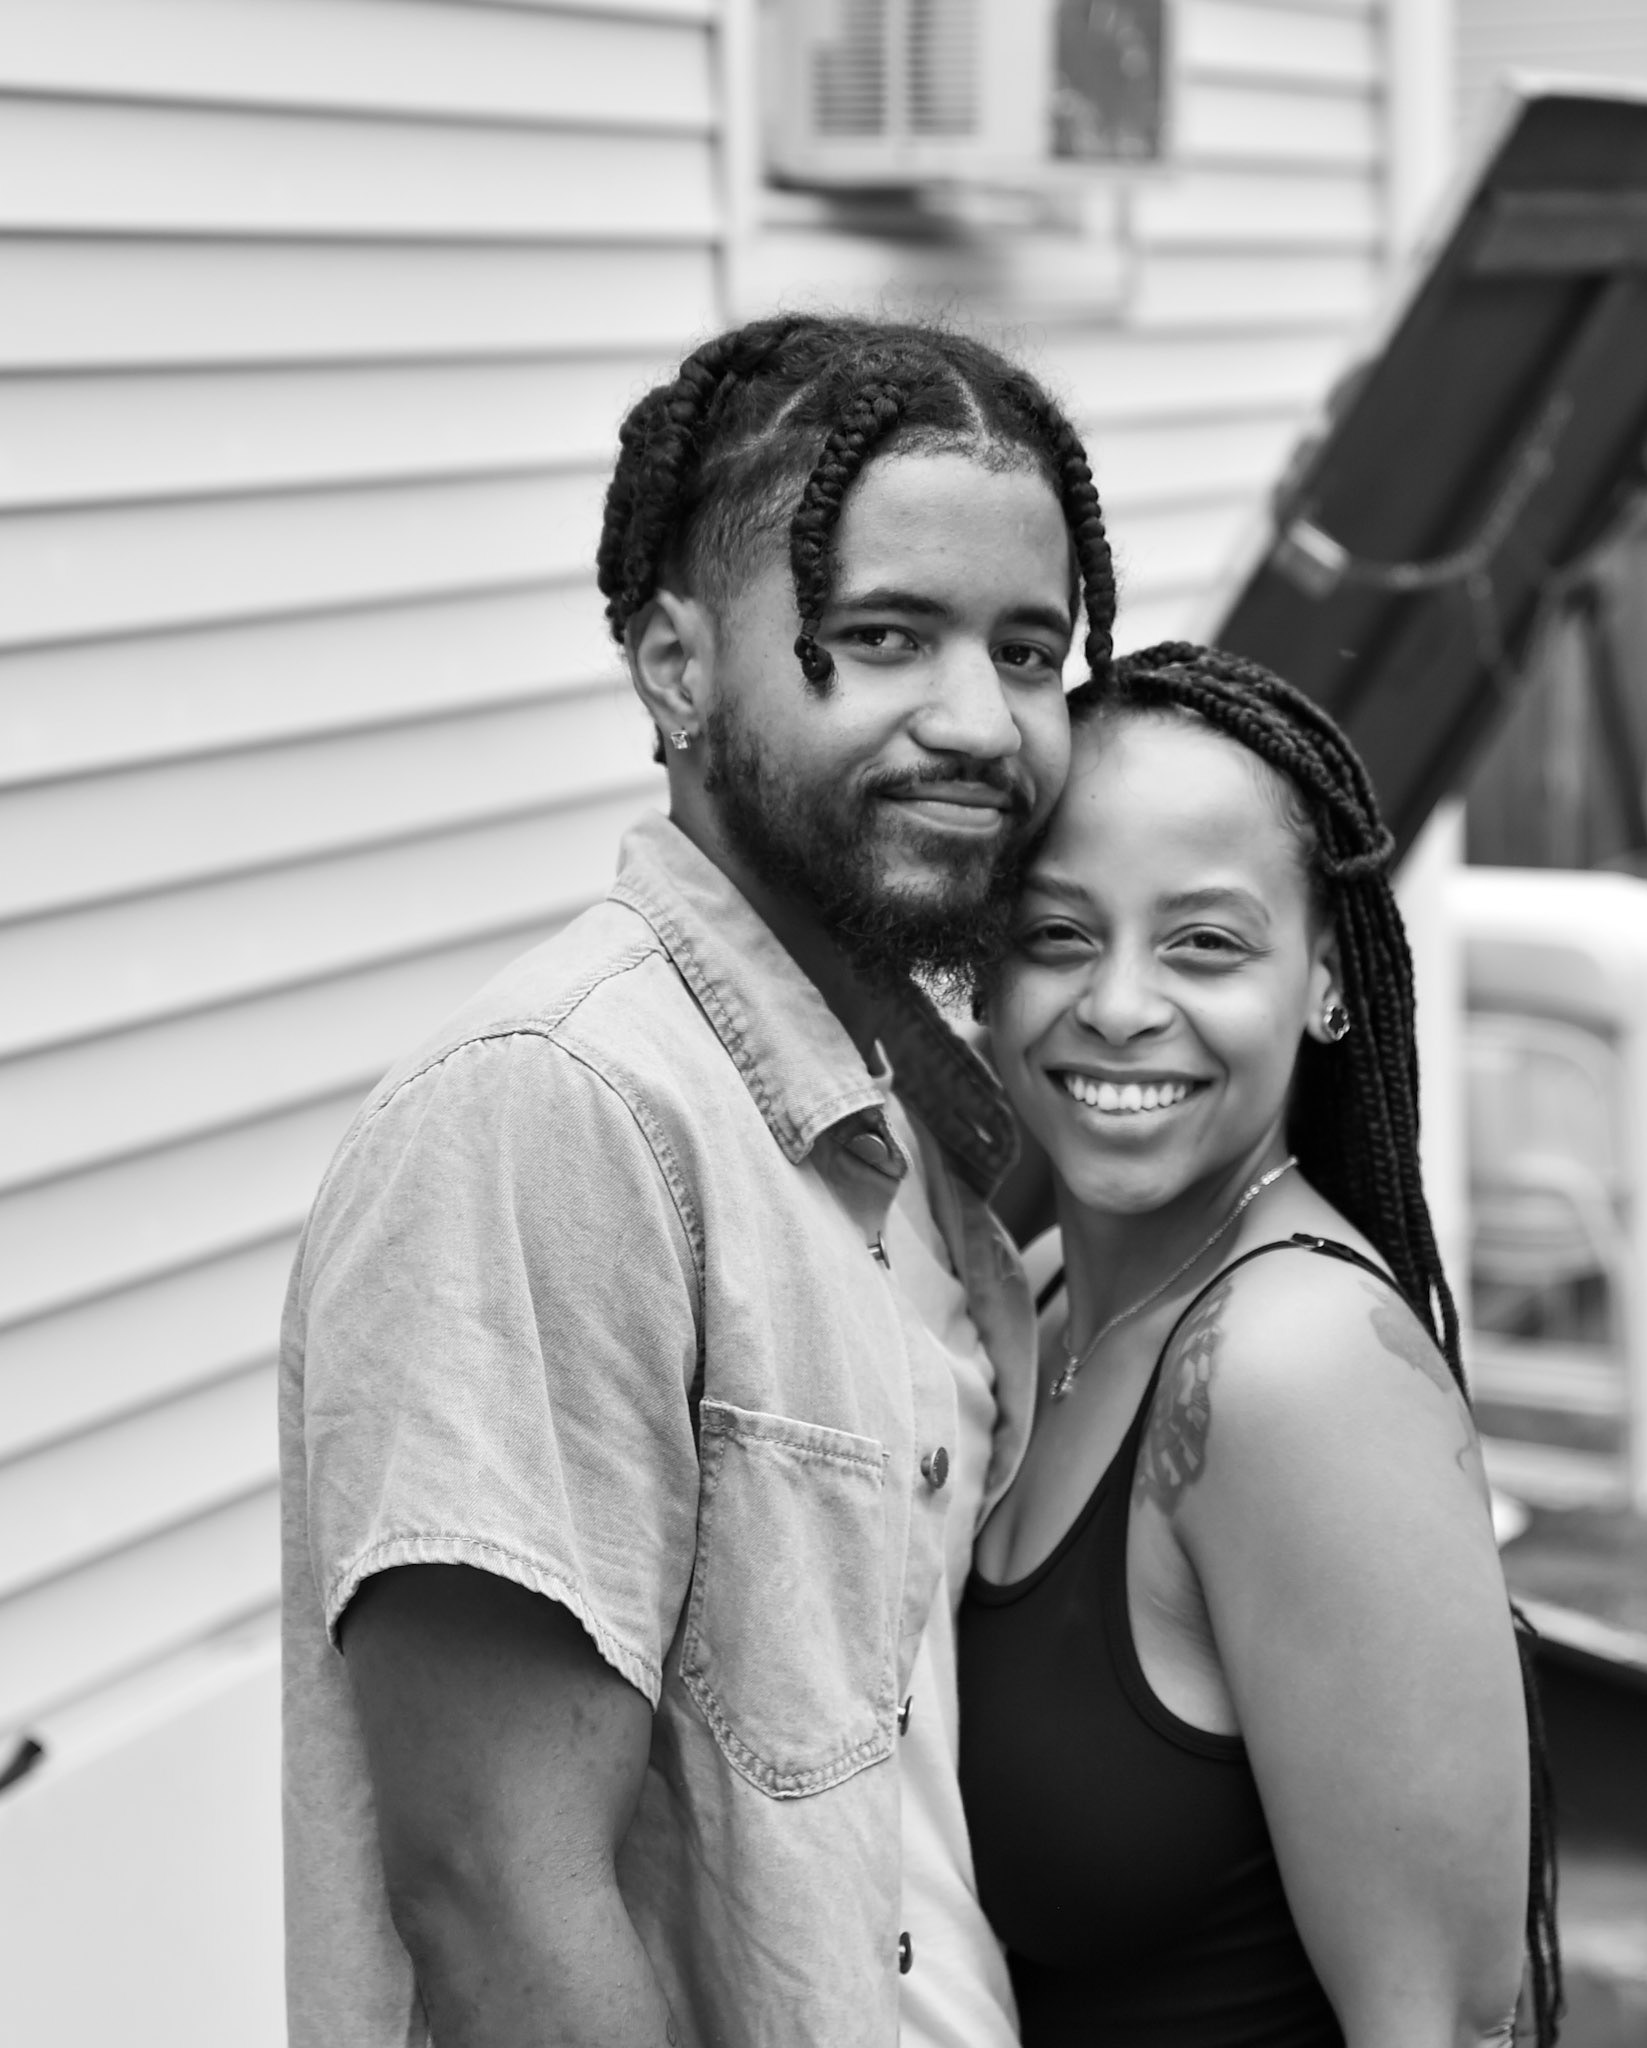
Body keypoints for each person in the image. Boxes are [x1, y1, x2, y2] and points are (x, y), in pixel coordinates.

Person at [278, 313, 1117, 2048]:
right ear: (673, 667)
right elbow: (493, 1891)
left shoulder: (902, 1138)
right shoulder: (559, 1113)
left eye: (1028, 652)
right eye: (882, 637)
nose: (979, 720)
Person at [959, 643, 1562, 2047]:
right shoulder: (1037, 1302)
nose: (1118, 1004)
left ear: (1326, 979)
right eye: (1056, 934)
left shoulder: (1298, 1368)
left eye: (1205, 943)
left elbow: (1446, 2028)